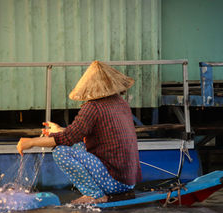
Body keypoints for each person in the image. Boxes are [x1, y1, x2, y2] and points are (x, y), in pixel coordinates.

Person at [16, 60, 142, 204]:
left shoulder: (93, 107)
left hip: (115, 181)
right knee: (72, 144)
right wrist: (58, 130)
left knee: (61, 152)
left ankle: (94, 194)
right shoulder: (121, 103)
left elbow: (68, 138)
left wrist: (31, 142)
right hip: (129, 181)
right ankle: (98, 191)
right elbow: (80, 134)